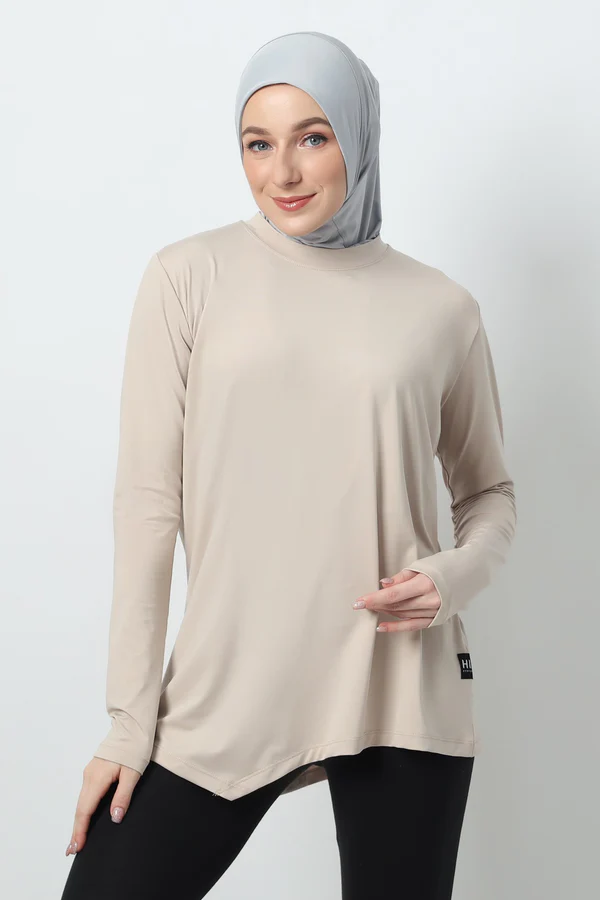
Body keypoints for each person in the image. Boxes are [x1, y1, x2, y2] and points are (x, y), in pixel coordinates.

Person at [60, 30, 517, 900]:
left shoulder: (442, 308)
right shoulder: (188, 277)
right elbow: (148, 505)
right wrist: (129, 721)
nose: (285, 173)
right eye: (258, 144)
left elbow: (489, 490)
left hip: (399, 686)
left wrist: (454, 576)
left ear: (358, 135)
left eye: (313, 136)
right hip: (229, 685)